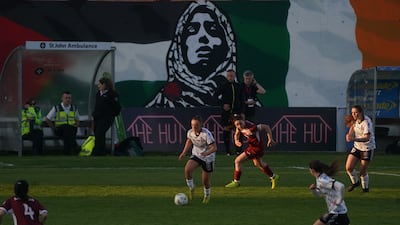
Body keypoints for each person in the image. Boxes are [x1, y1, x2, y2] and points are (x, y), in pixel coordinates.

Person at [146, 1, 236, 108]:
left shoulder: (236, 96)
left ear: (227, 43)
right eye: (192, 29)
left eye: (212, 29)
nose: (203, 37)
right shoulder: (163, 104)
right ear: (180, 44)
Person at [225, 116, 279, 189]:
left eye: (240, 123)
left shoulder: (252, 128)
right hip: (253, 147)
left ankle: (236, 181)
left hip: (256, 148)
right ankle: (273, 176)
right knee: (258, 164)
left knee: (238, 161)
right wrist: (236, 141)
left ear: (244, 121)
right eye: (237, 124)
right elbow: (237, 134)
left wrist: (270, 139)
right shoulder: (239, 127)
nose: (239, 126)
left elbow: (266, 127)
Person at [178, 115, 217, 204]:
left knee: (205, 181)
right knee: (187, 169)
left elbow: (214, 147)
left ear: (201, 125)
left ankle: (207, 195)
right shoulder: (190, 132)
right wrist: (184, 152)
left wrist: (206, 153)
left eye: (196, 125)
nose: (194, 127)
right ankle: (191, 187)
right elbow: (189, 141)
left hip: (208, 158)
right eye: (192, 125)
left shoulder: (206, 134)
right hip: (197, 154)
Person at [308, 159, 350, 225]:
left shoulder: (322, 180)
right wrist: (313, 190)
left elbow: (341, 186)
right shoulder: (320, 178)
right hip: (336, 212)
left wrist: (339, 200)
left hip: (337, 213)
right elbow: (319, 195)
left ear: (312, 170)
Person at [345, 105, 375, 192]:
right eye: (352, 113)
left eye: (356, 112)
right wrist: (349, 135)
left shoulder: (366, 122)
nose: (354, 114)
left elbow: (367, 138)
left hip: (367, 148)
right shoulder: (355, 120)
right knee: (348, 168)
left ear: (361, 112)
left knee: (362, 172)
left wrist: (353, 139)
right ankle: (355, 183)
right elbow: (352, 126)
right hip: (357, 147)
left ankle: (365, 189)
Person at [214, 69, 244, 155]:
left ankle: (238, 150)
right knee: (226, 130)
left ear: (234, 76)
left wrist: (242, 111)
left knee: (239, 130)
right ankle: (228, 151)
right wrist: (222, 104)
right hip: (226, 113)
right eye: (229, 76)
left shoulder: (238, 86)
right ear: (227, 77)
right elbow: (215, 96)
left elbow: (242, 99)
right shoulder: (223, 86)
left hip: (237, 112)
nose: (230, 77)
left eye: (232, 76)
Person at [92, 77, 121, 156]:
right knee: (97, 134)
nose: (98, 86)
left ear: (104, 84)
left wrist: (112, 114)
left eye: (100, 84)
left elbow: (117, 107)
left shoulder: (112, 94)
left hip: (107, 118)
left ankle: (98, 152)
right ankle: (100, 151)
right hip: (97, 117)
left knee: (100, 133)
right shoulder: (98, 94)